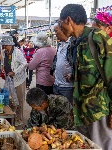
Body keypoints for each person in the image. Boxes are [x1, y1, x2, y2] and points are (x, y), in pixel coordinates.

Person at [59, 4, 112, 149]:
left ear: (68, 20)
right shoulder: (75, 43)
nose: (60, 27)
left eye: (60, 22)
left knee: (99, 146)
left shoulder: (98, 38)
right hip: (81, 110)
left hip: (98, 111)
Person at [0, 36, 27, 126]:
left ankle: (19, 119)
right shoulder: (4, 52)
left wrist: (15, 72)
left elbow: (24, 63)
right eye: (3, 45)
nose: (3, 47)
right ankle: (11, 117)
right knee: (10, 99)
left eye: (5, 45)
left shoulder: (17, 52)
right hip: (9, 79)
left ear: (10, 45)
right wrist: (2, 68)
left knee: (19, 100)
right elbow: (3, 62)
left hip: (18, 80)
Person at [50, 23, 74, 104]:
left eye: (56, 31)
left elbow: (78, 64)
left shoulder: (73, 44)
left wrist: (72, 74)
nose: (55, 34)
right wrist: (54, 70)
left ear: (63, 30)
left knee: (67, 112)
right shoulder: (60, 44)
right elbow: (56, 59)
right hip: (57, 85)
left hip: (67, 87)